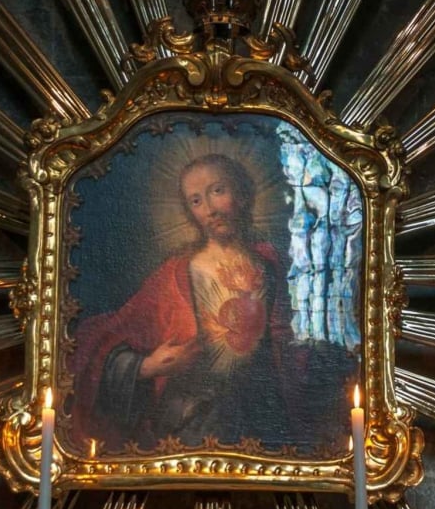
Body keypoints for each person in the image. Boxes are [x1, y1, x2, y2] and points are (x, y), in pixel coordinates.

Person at [70, 153, 305, 451]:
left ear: (243, 194)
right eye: (196, 201)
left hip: (263, 415)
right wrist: (145, 366)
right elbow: (100, 339)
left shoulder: (270, 264)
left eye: (217, 191)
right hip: (194, 421)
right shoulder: (174, 274)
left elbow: (288, 342)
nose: (209, 209)